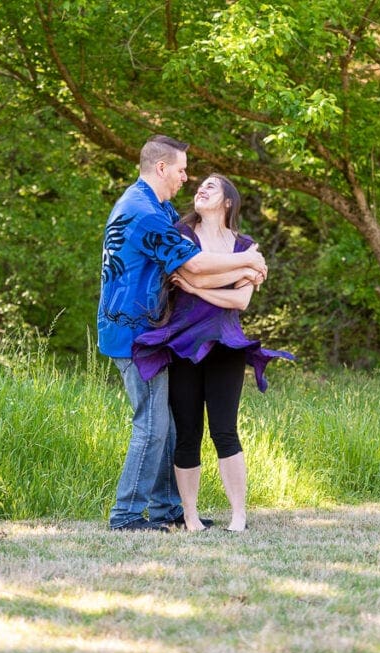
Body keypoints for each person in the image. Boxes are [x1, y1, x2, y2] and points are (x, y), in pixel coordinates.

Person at [99, 136, 268, 532]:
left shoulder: (157, 207)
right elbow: (190, 268)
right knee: (153, 426)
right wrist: (248, 262)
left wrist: (243, 270)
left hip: (151, 332)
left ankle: (166, 510)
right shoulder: (145, 213)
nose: (186, 177)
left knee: (171, 427)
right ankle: (126, 515)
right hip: (134, 334)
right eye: (181, 170)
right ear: (162, 168)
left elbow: (198, 271)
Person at [132, 174, 294, 532]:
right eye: (199, 185)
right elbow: (195, 271)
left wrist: (193, 286)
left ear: (227, 202)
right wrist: (227, 272)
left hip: (226, 344)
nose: (200, 189)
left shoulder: (245, 244)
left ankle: (239, 516)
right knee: (188, 432)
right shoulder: (182, 235)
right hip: (183, 345)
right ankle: (190, 517)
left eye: (211, 186)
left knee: (225, 430)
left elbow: (240, 300)